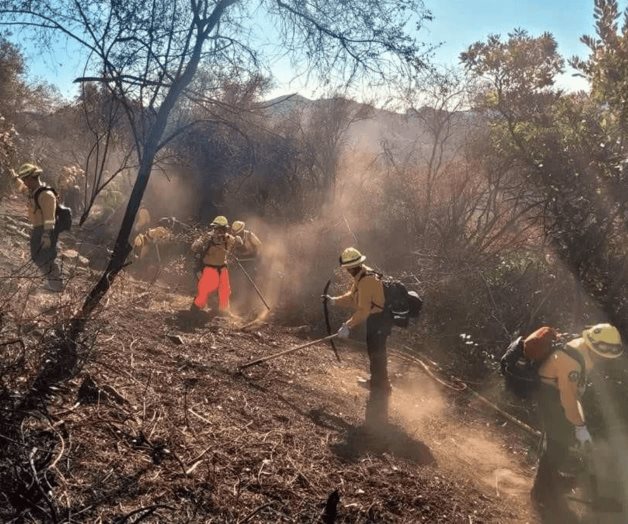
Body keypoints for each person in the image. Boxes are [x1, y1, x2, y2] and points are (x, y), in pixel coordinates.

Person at [532, 323, 624, 504]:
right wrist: (580, 427)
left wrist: (580, 424)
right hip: (549, 393)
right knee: (557, 441)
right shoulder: (572, 362)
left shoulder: (582, 348)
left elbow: (575, 393)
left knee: (561, 437)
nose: (605, 358)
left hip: (557, 390)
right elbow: (568, 398)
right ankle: (541, 491)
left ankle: (552, 477)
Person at [325, 247, 393, 424]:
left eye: (348, 268)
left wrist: (347, 326)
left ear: (352, 267)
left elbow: (363, 310)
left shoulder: (367, 280)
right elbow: (353, 297)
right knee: (374, 351)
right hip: (375, 317)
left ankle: (381, 387)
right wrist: (335, 300)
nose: (346, 271)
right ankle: (378, 382)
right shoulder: (361, 275)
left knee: (377, 352)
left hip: (379, 318)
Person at [10, 163, 63, 291]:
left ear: (31, 178)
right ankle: (53, 282)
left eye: (25, 179)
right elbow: (22, 188)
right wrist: (13, 177)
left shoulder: (46, 195)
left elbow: (50, 218)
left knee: (47, 258)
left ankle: (56, 285)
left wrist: (47, 235)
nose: (24, 182)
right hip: (38, 229)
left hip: (46, 230)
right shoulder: (33, 191)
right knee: (37, 257)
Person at [189, 216, 242, 321]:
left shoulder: (228, 238)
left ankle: (224, 310)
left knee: (225, 290)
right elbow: (194, 247)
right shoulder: (207, 238)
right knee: (205, 289)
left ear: (225, 229)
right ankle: (196, 307)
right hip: (209, 267)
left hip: (222, 267)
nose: (219, 231)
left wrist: (238, 240)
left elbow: (238, 243)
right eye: (217, 229)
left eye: (221, 229)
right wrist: (199, 243)